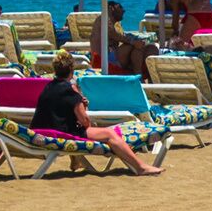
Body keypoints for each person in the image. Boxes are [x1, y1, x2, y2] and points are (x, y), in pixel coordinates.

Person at [25, 52, 158, 175]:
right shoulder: (71, 91)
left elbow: (61, 113)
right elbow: (85, 123)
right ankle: (140, 167)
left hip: (41, 132)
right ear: (72, 71)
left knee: (72, 124)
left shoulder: (48, 87)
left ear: (55, 70)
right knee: (109, 134)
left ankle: (76, 161)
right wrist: (82, 104)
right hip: (60, 134)